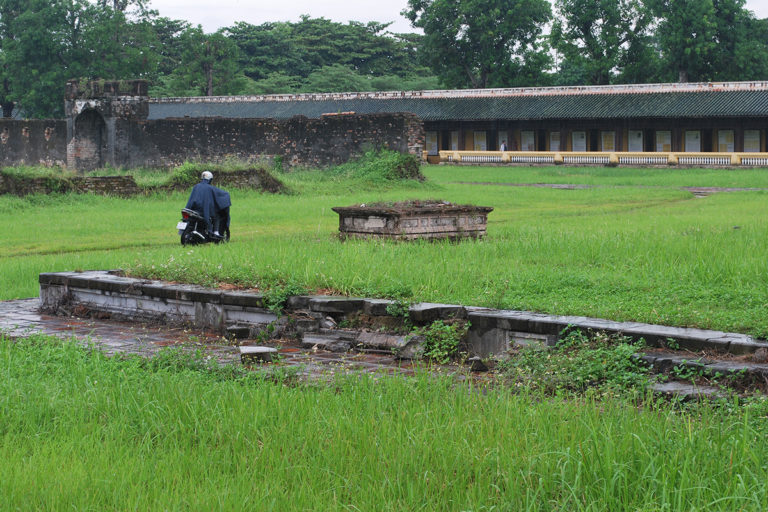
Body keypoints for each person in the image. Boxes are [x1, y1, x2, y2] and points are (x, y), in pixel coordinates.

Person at [185, 171, 231, 239]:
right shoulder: (210, 188)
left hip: (193, 209)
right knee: (216, 216)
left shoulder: (196, 186)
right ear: (210, 179)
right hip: (204, 210)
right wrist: (227, 195)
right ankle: (216, 232)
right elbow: (220, 194)